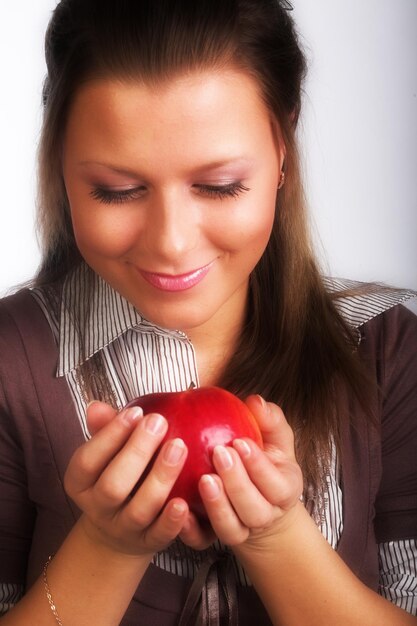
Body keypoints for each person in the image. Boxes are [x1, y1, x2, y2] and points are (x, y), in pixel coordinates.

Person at [0, 0, 416, 624]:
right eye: (117, 190)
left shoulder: (387, 349)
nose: (171, 242)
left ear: (282, 148)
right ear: (61, 164)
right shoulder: (11, 362)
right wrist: (106, 547)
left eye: (219, 185)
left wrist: (278, 540)